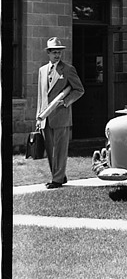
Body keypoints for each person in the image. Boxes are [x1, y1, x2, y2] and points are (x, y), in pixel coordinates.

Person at [36, 37, 85, 189]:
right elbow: (41, 96)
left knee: (60, 150)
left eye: (59, 52)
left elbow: (79, 90)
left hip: (61, 116)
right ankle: (59, 177)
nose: (57, 55)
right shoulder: (42, 70)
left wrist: (65, 102)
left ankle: (56, 180)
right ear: (48, 53)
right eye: (54, 52)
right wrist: (38, 117)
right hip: (45, 118)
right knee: (50, 150)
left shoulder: (68, 69)